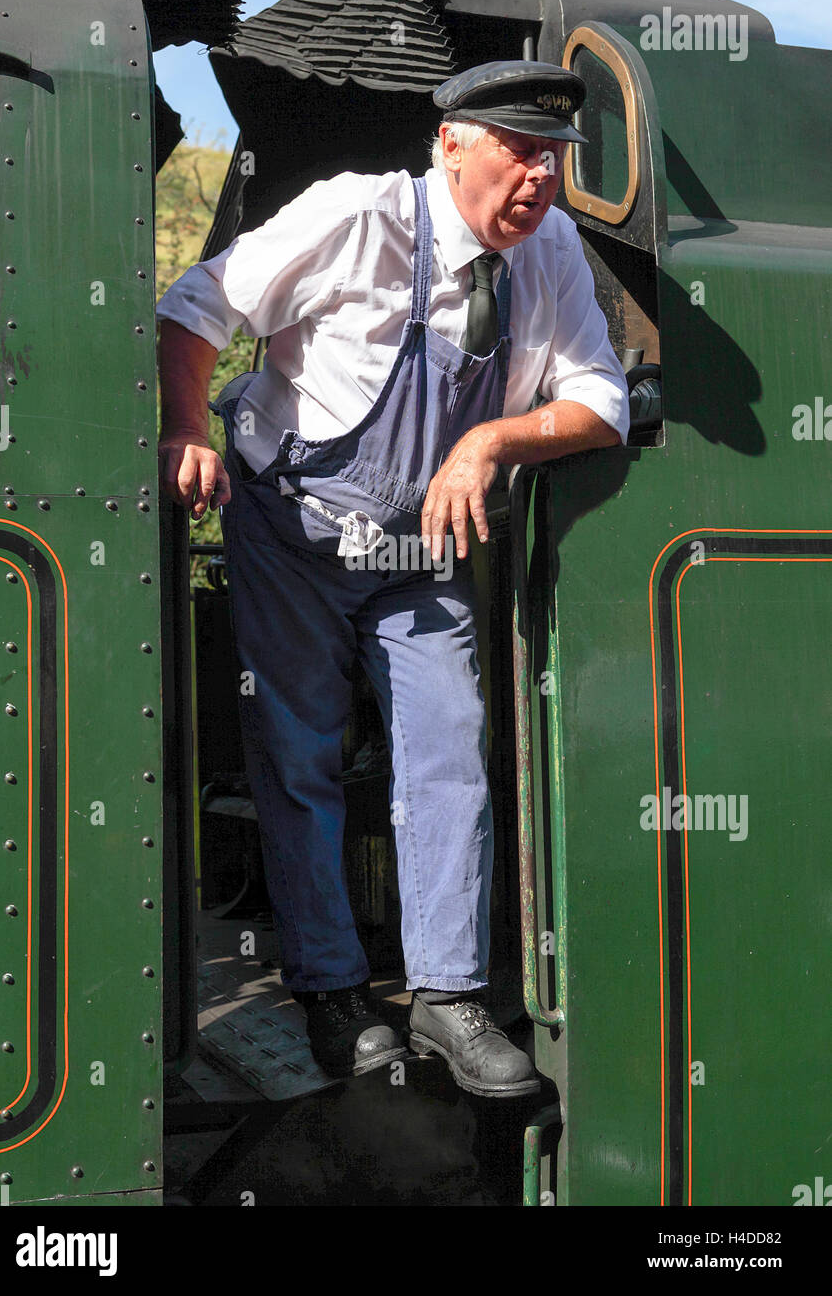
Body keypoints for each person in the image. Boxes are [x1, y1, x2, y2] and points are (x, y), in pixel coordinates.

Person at [157, 60, 629, 1098]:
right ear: (450, 145)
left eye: (552, 159)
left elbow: (601, 400)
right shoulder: (355, 218)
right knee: (298, 755)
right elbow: (196, 309)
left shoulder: (547, 250)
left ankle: (446, 994)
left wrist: (493, 442)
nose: (539, 179)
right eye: (519, 152)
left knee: (449, 743)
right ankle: (328, 993)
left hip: (424, 548)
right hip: (293, 529)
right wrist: (188, 427)